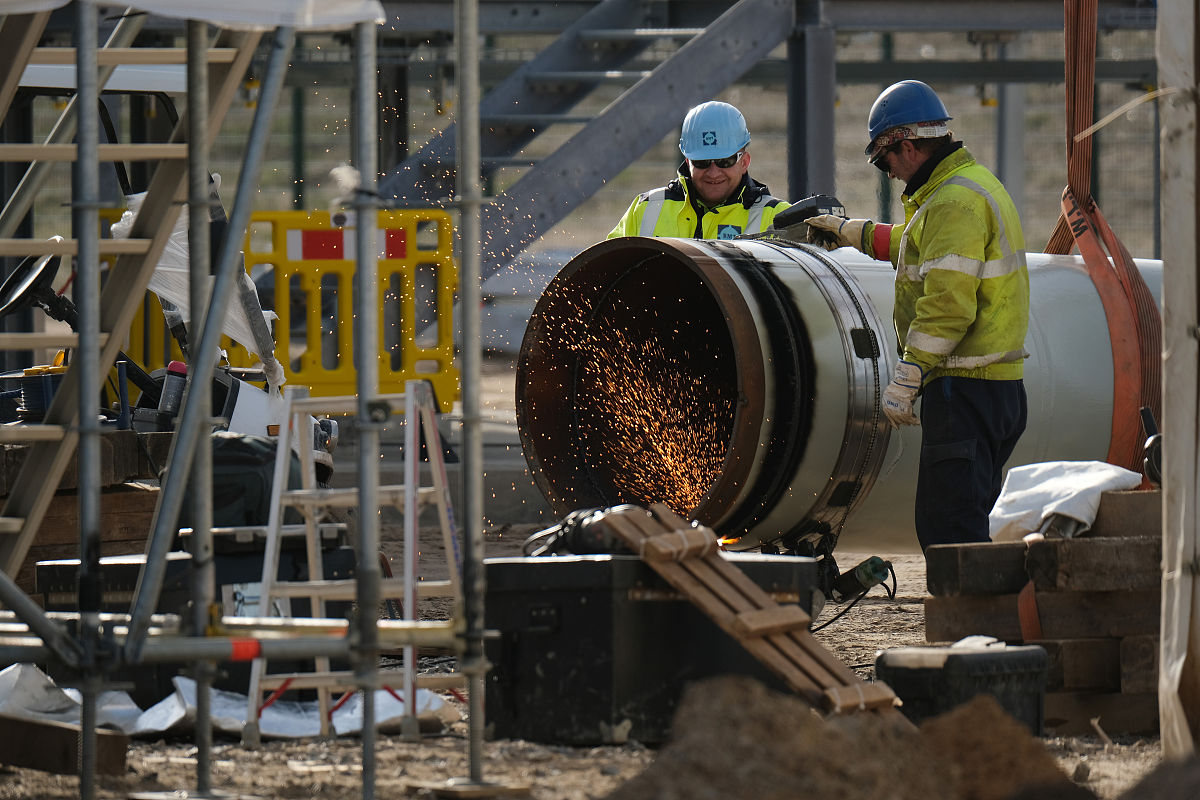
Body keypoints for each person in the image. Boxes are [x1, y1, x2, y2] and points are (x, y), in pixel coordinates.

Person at [807, 80, 1030, 552]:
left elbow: (947, 307)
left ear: (906, 146)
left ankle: (969, 603)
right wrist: (850, 232)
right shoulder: (968, 186)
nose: (887, 172)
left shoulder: (952, 204)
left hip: (965, 389)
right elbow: (916, 244)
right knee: (967, 519)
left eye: (883, 160)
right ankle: (980, 599)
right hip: (993, 390)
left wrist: (909, 374)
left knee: (949, 531)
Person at [608, 101, 789, 239]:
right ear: (688, 162)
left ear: (744, 162)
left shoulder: (779, 219)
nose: (713, 172)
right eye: (702, 162)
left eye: (724, 161)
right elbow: (606, 268)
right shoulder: (646, 209)